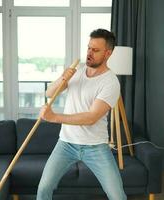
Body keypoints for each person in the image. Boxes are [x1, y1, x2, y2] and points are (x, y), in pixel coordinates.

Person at [37, 28, 126, 200]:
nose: (89, 53)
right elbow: (49, 93)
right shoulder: (76, 71)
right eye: (88, 48)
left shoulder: (110, 82)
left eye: (95, 50)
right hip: (66, 144)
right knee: (43, 189)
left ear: (108, 53)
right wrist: (64, 78)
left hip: (95, 146)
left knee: (117, 196)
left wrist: (54, 117)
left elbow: (91, 117)